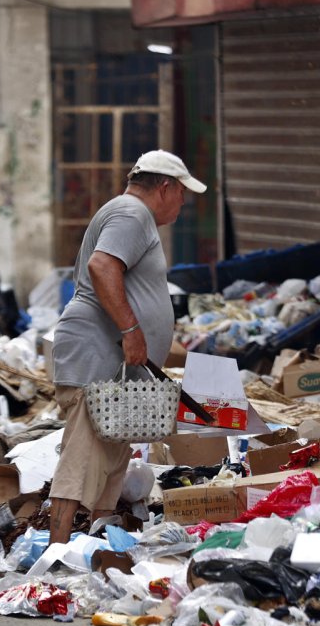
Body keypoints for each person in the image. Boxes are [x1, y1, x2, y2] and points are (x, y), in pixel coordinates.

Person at [48, 150, 206, 545]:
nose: (183, 203)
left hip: (114, 359)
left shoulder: (129, 214)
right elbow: (101, 267)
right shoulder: (132, 213)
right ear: (165, 187)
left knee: (113, 453)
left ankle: (96, 542)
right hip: (96, 353)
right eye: (182, 193)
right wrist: (132, 329)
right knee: (83, 453)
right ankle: (54, 550)